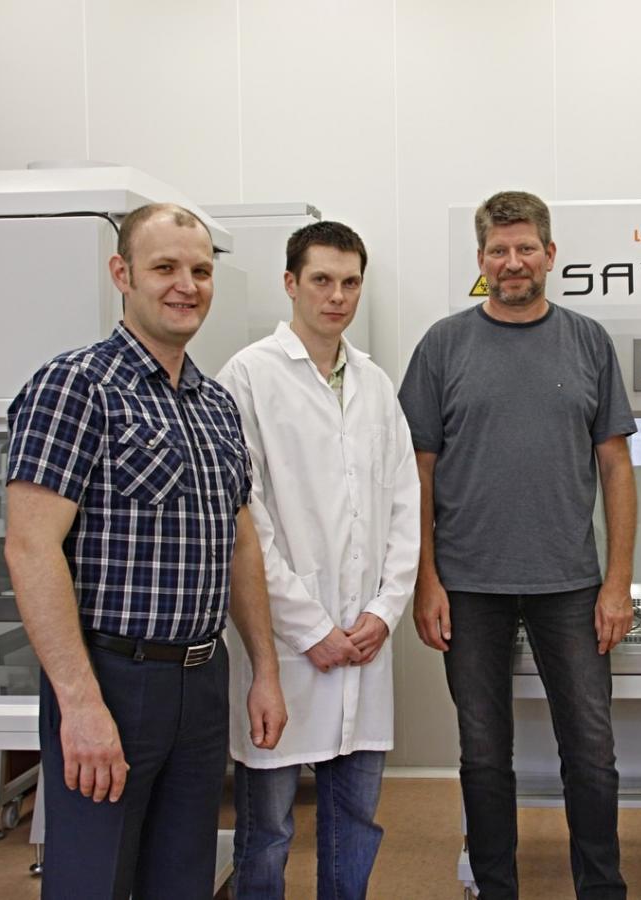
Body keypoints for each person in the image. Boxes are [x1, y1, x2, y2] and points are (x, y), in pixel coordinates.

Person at [4, 202, 287, 900]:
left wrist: (265, 668)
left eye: (200, 270)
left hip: (201, 679)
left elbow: (239, 542)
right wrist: (80, 704)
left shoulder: (215, 405)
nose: (186, 286)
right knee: (93, 879)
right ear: (122, 274)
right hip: (111, 677)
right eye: (165, 268)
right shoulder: (75, 387)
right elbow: (31, 548)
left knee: (185, 879)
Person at [398, 191, 637, 900]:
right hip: (469, 586)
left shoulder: (588, 342)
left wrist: (617, 582)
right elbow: (416, 473)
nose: (512, 262)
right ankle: (495, 887)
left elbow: (617, 467)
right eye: (498, 251)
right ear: (480, 260)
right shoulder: (443, 346)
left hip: (572, 584)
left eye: (525, 248)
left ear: (549, 255)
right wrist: (425, 580)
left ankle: (602, 888)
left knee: (591, 751)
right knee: (483, 754)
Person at [217, 221, 420, 900]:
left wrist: (384, 611)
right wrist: (310, 628)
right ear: (290, 284)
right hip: (283, 646)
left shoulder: (375, 384)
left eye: (350, 282)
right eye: (322, 280)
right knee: (268, 830)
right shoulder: (247, 377)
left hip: (364, 640)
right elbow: (247, 522)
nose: (337, 296)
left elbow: (404, 504)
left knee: (355, 821)